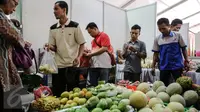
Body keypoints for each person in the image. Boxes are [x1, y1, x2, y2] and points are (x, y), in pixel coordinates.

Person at [45, 1, 85, 96]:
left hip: (72, 66)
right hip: (58, 66)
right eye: (54, 9)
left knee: (73, 94)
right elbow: (54, 47)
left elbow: (82, 44)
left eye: (56, 9)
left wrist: (78, 57)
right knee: (58, 94)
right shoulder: (53, 28)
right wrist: (49, 47)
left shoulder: (75, 26)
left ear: (64, 10)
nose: (54, 12)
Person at [0, 0, 25, 111]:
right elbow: (14, 35)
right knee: (12, 104)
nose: (14, 9)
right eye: (15, 4)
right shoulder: (1, 18)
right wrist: (19, 37)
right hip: (3, 68)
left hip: (6, 65)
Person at [152, 18, 189, 86]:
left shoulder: (177, 35)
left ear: (169, 26)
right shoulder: (157, 39)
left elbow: (184, 49)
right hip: (164, 66)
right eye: (160, 29)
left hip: (177, 66)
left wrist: (187, 60)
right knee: (163, 86)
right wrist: (153, 66)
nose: (162, 31)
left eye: (163, 28)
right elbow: (155, 54)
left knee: (180, 86)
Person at [85, 22, 113, 86]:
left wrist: (91, 54)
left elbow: (104, 48)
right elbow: (95, 51)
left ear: (95, 29)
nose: (90, 34)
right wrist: (89, 52)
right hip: (94, 65)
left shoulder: (103, 35)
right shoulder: (93, 41)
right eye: (89, 33)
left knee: (103, 85)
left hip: (104, 66)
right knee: (93, 84)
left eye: (90, 32)